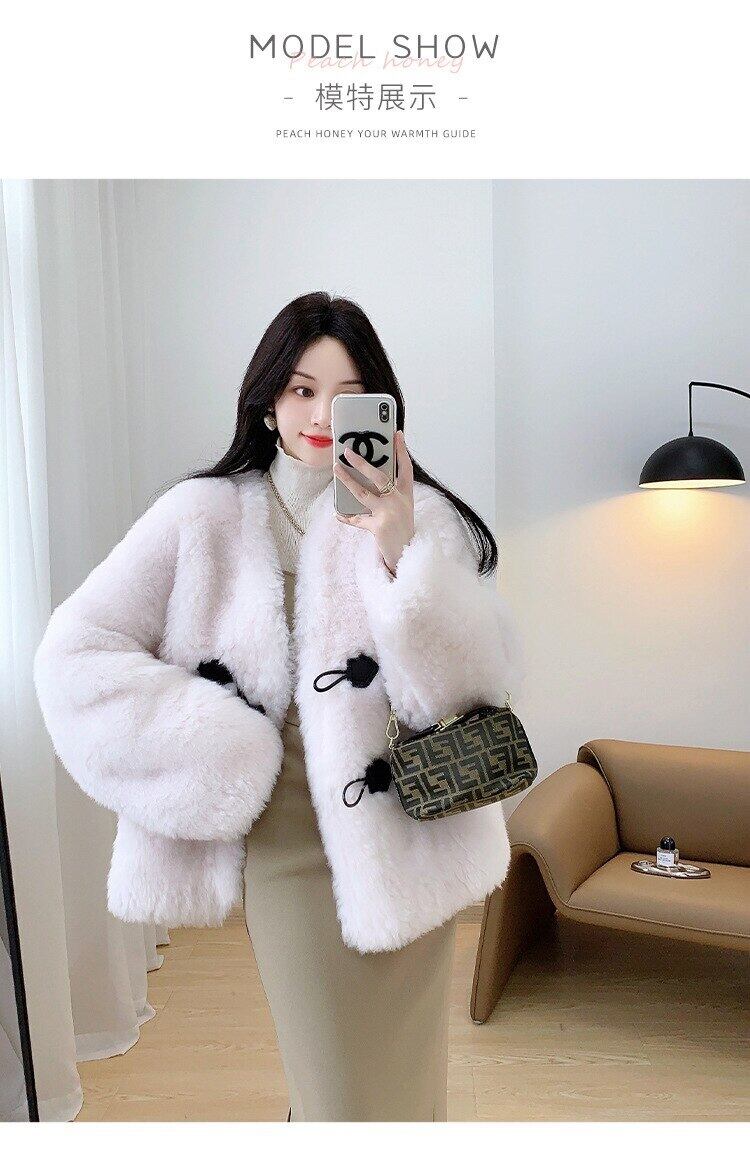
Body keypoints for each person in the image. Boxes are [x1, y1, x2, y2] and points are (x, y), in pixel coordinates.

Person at [33, 291, 526, 1122]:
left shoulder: (421, 517)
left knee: (404, 1090)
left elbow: (472, 691)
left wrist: (400, 551)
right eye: (302, 390)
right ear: (267, 403)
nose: (323, 415)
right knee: (336, 1090)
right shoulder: (201, 517)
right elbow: (74, 654)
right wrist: (217, 744)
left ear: (382, 408)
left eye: (348, 394)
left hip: (409, 834)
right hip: (286, 839)